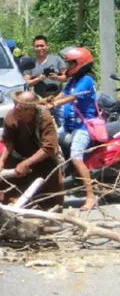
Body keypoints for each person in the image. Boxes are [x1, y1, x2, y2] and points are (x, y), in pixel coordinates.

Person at [45, 47, 98, 211]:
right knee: (48, 142)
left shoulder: (87, 80)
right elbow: (63, 94)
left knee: (76, 156)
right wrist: (45, 101)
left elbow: (72, 97)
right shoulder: (73, 80)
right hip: (68, 126)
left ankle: (90, 197)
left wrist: (54, 104)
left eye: (70, 63)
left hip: (83, 127)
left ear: (80, 63)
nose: (67, 67)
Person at [0, 91, 64, 211]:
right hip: (17, 157)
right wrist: (1, 160)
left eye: (20, 108)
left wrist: (27, 163)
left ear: (30, 110)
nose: (16, 109)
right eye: (15, 104)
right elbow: (8, 141)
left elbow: (49, 148)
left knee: (50, 194)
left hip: (42, 159)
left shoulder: (44, 118)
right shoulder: (11, 116)